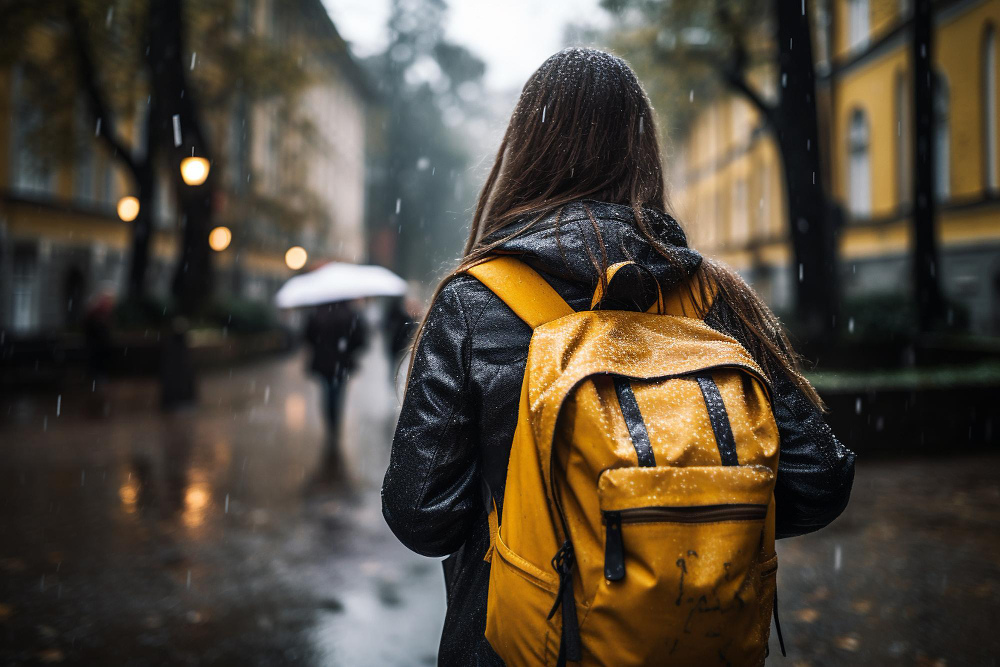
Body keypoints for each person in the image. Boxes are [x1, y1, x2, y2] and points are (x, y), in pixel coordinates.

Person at [382, 48, 855, 665]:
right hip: (692, 645)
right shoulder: (713, 298)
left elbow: (423, 515)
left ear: (522, 149)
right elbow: (818, 479)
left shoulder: (477, 302)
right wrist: (683, 524)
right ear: (642, 149)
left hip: (513, 646)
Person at [306, 300, 368, 438]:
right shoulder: (350, 314)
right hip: (342, 364)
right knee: (338, 394)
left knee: (327, 393)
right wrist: (347, 350)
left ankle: (330, 425)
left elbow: (307, 337)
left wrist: (320, 346)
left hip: (323, 363)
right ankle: (335, 426)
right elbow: (361, 340)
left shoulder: (317, 313)